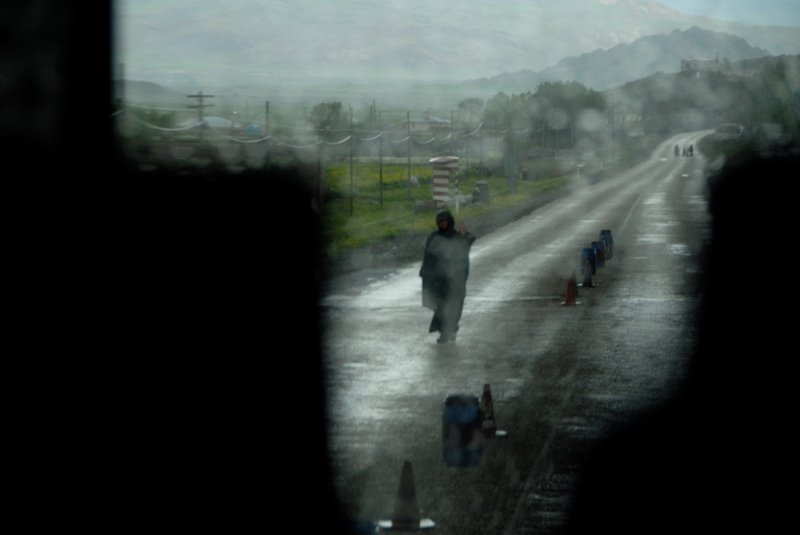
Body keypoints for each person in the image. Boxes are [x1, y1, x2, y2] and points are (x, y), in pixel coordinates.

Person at [419, 209, 476, 343]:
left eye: (444, 221)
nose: (443, 224)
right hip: (439, 280)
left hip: (454, 280)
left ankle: (450, 330)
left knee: (454, 306)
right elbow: (428, 256)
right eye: (440, 222)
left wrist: (464, 235)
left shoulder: (457, 237)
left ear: (449, 222)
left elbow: (465, 248)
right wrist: (425, 272)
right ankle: (445, 331)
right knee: (441, 306)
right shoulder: (434, 237)